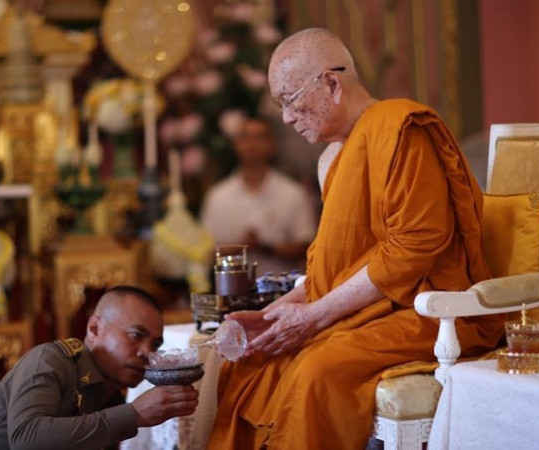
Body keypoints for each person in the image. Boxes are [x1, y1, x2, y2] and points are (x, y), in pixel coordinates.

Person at [206, 28, 505, 449]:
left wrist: (314, 317)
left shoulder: (402, 129)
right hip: (370, 307)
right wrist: (273, 315)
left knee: (316, 370)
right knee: (252, 361)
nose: (287, 119)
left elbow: (414, 248)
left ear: (331, 84)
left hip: (426, 311)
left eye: (290, 101)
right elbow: (342, 268)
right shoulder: (335, 157)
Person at [0, 285, 199, 450]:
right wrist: (135, 415)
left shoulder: (111, 397)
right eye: (136, 335)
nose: (146, 352)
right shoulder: (51, 360)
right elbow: (26, 440)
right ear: (94, 328)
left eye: (155, 343)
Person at [200, 116, 317, 275]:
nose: (252, 144)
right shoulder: (218, 196)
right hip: (231, 292)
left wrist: (266, 248)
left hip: (282, 290)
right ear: (236, 144)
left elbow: (308, 248)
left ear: (272, 144)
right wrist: (243, 246)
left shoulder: (293, 193)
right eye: (246, 137)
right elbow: (206, 252)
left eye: (260, 137)